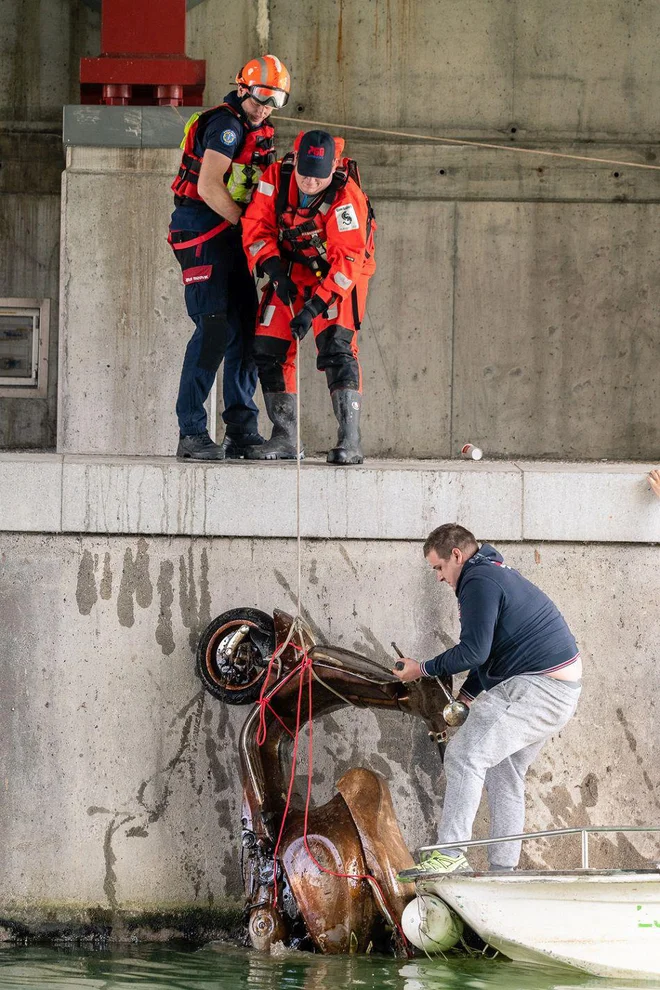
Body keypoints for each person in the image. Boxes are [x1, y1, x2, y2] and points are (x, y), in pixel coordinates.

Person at [393, 523, 582, 875]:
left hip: (536, 688)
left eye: (438, 567)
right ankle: (503, 872)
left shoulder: (477, 582)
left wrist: (422, 668)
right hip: (560, 690)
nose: (438, 577)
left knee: (464, 756)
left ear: (456, 555)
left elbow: (473, 652)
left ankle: (449, 855)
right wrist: (464, 697)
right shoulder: (491, 572)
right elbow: (493, 651)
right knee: (503, 771)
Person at [170, 55, 291, 460]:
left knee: (246, 331)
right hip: (203, 233)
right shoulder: (224, 126)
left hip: (232, 237)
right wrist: (247, 226)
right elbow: (207, 186)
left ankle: (240, 430)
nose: (265, 107)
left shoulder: (262, 130)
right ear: (242, 89)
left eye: (274, 100)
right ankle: (191, 433)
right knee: (214, 329)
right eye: (259, 97)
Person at [241, 129, 376, 464]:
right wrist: (275, 271)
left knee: (336, 348)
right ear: (296, 160)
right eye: (304, 174)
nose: (309, 183)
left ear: (332, 170)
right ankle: (285, 437)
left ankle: (350, 441)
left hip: (338, 275)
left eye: (319, 178)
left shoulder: (346, 198)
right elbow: (256, 227)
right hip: (289, 270)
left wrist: (314, 307)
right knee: (267, 348)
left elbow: (347, 261)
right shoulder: (276, 177)